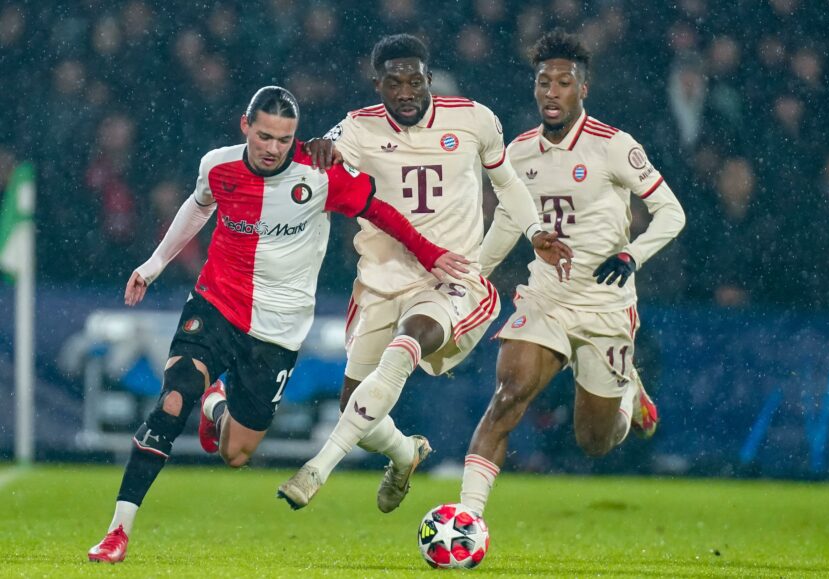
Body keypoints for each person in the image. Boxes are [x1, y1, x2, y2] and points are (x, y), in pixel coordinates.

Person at [87, 86, 469, 563]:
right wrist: (154, 264)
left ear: (295, 137)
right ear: (245, 126)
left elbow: (379, 211)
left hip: (278, 332)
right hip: (216, 303)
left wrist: (430, 254)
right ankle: (118, 531)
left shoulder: (320, 173)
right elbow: (198, 204)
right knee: (172, 399)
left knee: (237, 454)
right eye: (264, 136)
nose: (272, 148)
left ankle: (217, 409)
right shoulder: (219, 165)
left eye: (284, 139)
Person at [277, 34, 572, 512]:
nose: (407, 91)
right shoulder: (357, 127)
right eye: (394, 82)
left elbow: (508, 183)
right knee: (356, 410)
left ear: (429, 79)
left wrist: (535, 229)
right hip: (381, 279)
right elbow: (321, 149)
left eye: (416, 80)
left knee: (407, 345)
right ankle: (404, 452)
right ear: (378, 85)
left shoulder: (475, 119)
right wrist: (319, 150)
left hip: (450, 277)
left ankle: (317, 468)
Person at [458, 29, 686, 515]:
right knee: (509, 393)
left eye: (564, 82)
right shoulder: (518, 153)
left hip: (605, 304)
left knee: (595, 441)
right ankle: (468, 517)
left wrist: (632, 256)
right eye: (544, 82)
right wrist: (471, 274)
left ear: (583, 89)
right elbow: (505, 221)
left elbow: (671, 213)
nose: (552, 92)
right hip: (545, 298)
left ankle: (627, 395)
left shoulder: (614, 146)